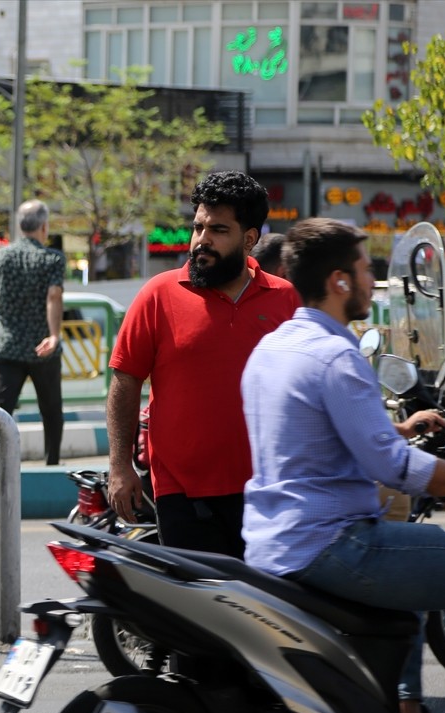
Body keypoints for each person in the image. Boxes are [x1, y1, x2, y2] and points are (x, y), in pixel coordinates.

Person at [241, 217, 445, 713]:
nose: (372, 281)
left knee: (417, 550)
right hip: (332, 545)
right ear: (339, 281)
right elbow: (395, 467)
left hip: (270, 544)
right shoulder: (336, 358)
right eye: (366, 271)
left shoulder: (270, 350)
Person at [107, 171, 301, 557]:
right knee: (203, 611)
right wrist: (120, 467)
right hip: (183, 494)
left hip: (267, 490)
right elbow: (125, 382)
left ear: (249, 239)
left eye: (218, 229)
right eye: (198, 227)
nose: (202, 240)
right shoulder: (158, 295)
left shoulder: (286, 301)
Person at [0, 199, 66, 466]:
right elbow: (54, 296)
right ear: (44, 226)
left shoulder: (1, 256)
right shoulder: (52, 259)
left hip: (8, 344)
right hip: (43, 347)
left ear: (19, 226)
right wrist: (53, 335)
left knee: (0, 407)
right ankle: (52, 461)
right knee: (51, 409)